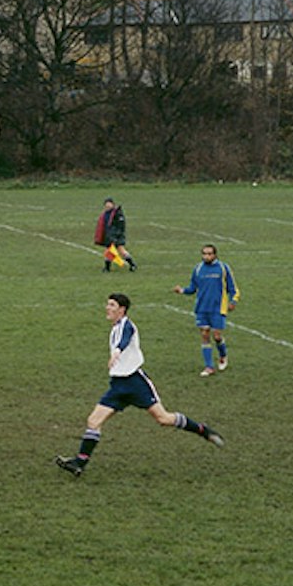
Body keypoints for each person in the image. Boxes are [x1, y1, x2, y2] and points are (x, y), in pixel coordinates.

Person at [55, 292, 222, 476]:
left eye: (112, 305)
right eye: (107, 304)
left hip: (135, 382)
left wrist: (116, 352)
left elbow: (125, 339)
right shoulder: (115, 326)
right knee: (93, 421)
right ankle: (80, 463)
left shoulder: (126, 325)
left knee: (163, 419)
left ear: (122, 309)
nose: (107, 308)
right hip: (118, 386)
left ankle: (202, 429)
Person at [177, 244, 240, 376]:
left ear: (215, 255)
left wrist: (233, 301)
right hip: (202, 308)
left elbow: (233, 288)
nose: (207, 256)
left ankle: (223, 355)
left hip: (218, 308)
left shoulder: (223, 268)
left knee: (217, 336)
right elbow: (192, 288)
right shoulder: (198, 269)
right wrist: (182, 290)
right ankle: (209, 367)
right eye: (204, 254)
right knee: (205, 335)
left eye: (209, 254)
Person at [95, 198, 135, 272]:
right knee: (109, 251)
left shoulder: (118, 213)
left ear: (113, 204)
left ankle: (132, 265)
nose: (107, 206)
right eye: (106, 205)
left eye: (109, 204)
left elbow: (121, 226)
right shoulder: (105, 214)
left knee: (121, 251)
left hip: (117, 236)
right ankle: (107, 268)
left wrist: (116, 236)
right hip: (109, 236)